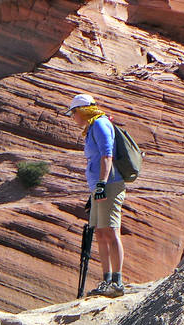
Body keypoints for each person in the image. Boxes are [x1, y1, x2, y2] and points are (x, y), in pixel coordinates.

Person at [64, 93, 125, 298]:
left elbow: (107, 156)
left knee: (111, 230)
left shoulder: (100, 124)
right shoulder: (92, 127)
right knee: (100, 233)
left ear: (81, 111)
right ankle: (106, 279)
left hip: (109, 185)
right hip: (98, 187)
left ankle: (117, 282)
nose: (73, 118)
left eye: (73, 113)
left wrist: (101, 185)